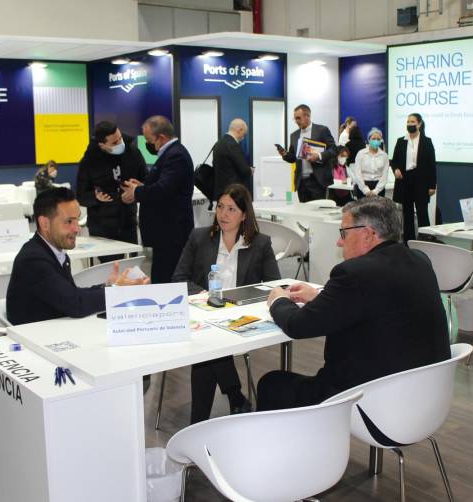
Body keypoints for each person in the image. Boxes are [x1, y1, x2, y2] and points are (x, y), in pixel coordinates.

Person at [257, 197, 450, 411]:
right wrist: (318, 296)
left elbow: (298, 325)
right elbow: (374, 303)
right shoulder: (419, 260)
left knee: (271, 384)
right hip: (425, 399)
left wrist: (278, 299)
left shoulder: (355, 274)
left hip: (366, 400)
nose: (339, 242)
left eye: (344, 233)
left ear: (367, 234)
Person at [172, 184, 280, 423]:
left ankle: (200, 422)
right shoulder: (200, 237)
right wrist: (206, 298)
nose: (223, 214)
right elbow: (179, 279)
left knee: (206, 352)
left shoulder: (260, 244)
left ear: (244, 214)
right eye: (220, 207)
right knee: (208, 346)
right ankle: (234, 396)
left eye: (232, 209)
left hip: (242, 319)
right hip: (206, 314)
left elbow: (274, 284)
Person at [5, 187, 148, 325]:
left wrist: (109, 285)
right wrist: (115, 291)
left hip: (52, 331)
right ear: (45, 223)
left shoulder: (54, 252)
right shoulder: (34, 259)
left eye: (77, 220)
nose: (77, 229)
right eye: (69, 222)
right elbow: (75, 304)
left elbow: (71, 294)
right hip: (34, 339)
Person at [122, 116, 194, 283]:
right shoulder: (169, 154)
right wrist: (141, 185)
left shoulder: (176, 155)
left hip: (172, 232)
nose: (147, 144)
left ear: (161, 137)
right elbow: (164, 185)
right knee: (161, 276)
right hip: (165, 233)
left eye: (149, 140)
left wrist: (137, 192)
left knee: (167, 280)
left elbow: (164, 190)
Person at [77, 122, 147, 262]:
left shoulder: (133, 153)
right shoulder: (89, 162)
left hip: (128, 223)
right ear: (102, 145)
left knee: (130, 267)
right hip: (102, 227)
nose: (120, 143)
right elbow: (81, 196)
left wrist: (137, 191)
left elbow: (146, 180)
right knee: (109, 270)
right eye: (115, 142)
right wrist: (96, 198)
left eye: (120, 138)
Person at [391, 113, 436, 242]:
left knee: (422, 211)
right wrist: (396, 169)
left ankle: (426, 239)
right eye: (408, 122)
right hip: (405, 180)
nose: (410, 124)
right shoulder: (401, 141)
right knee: (407, 212)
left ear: (419, 124)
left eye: (412, 122)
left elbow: (431, 164)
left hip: (421, 180)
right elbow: (394, 161)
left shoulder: (426, 141)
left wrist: (432, 185)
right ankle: (408, 241)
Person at [277, 104, 336, 202]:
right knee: (303, 214)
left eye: (298, 118)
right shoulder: (294, 135)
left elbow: (334, 149)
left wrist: (319, 156)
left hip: (318, 181)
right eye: (295, 118)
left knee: (318, 214)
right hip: (301, 183)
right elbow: (293, 158)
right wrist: (285, 155)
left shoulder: (322, 130)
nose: (296, 121)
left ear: (307, 116)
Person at [211, 118, 253, 200]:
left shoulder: (219, 143)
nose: (243, 137)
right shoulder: (233, 145)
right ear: (240, 130)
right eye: (243, 134)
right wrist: (250, 170)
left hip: (220, 192)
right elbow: (244, 170)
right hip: (233, 193)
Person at [351, 127, 390, 199]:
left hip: (379, 187)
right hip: (363, 186)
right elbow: (358, 173)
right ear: (369, 140)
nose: (376, 141)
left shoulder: (384, 155)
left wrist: (376, 191)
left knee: (378, 210)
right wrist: (365, 190)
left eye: (378, 139)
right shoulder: (361, 153)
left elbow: (384, 175)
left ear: (381, 141)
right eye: (373, 139)